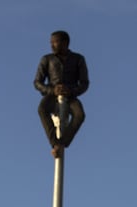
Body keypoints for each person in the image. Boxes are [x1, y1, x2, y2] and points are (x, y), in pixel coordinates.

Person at [34, 30, 89, 158]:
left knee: (80, 115)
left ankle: (62, 143)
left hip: (70, 97)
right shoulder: (46, 59)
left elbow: (84, 83)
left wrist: (71, 91)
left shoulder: (78, 59)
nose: (52, 45)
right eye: (51, 42)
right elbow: (37, 82)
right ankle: (54, 143)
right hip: (52, 95)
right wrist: (52, 90)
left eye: (55, 42)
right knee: (42, 109)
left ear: (65, 43)